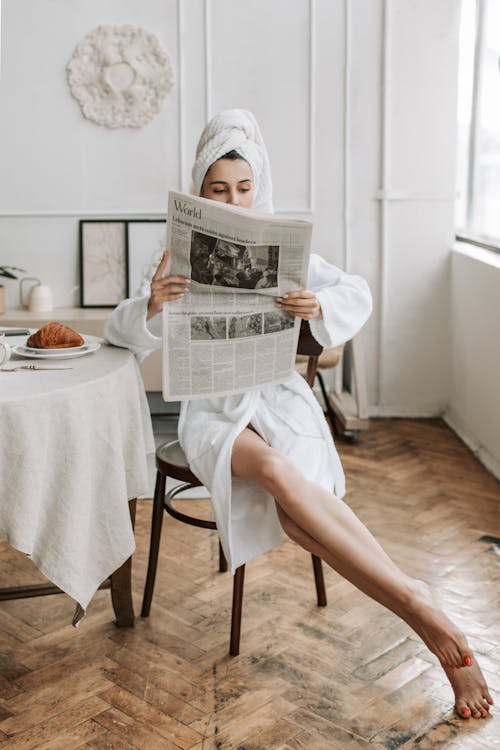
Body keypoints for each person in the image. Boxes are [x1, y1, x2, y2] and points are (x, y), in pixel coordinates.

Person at [105, 109, 493, 721]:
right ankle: (422, 607)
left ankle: (424, 614)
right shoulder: (173, 253)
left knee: (299, 520)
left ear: (257, 184)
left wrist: (317, 303)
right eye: (217, 189)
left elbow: (356, 293)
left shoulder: (282, 248)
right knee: (284, 480)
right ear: (199, 192)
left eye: (243, 186)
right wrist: (151, 306)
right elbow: (122, 331)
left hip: (280, 399)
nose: (233, 199)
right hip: (213, 414)